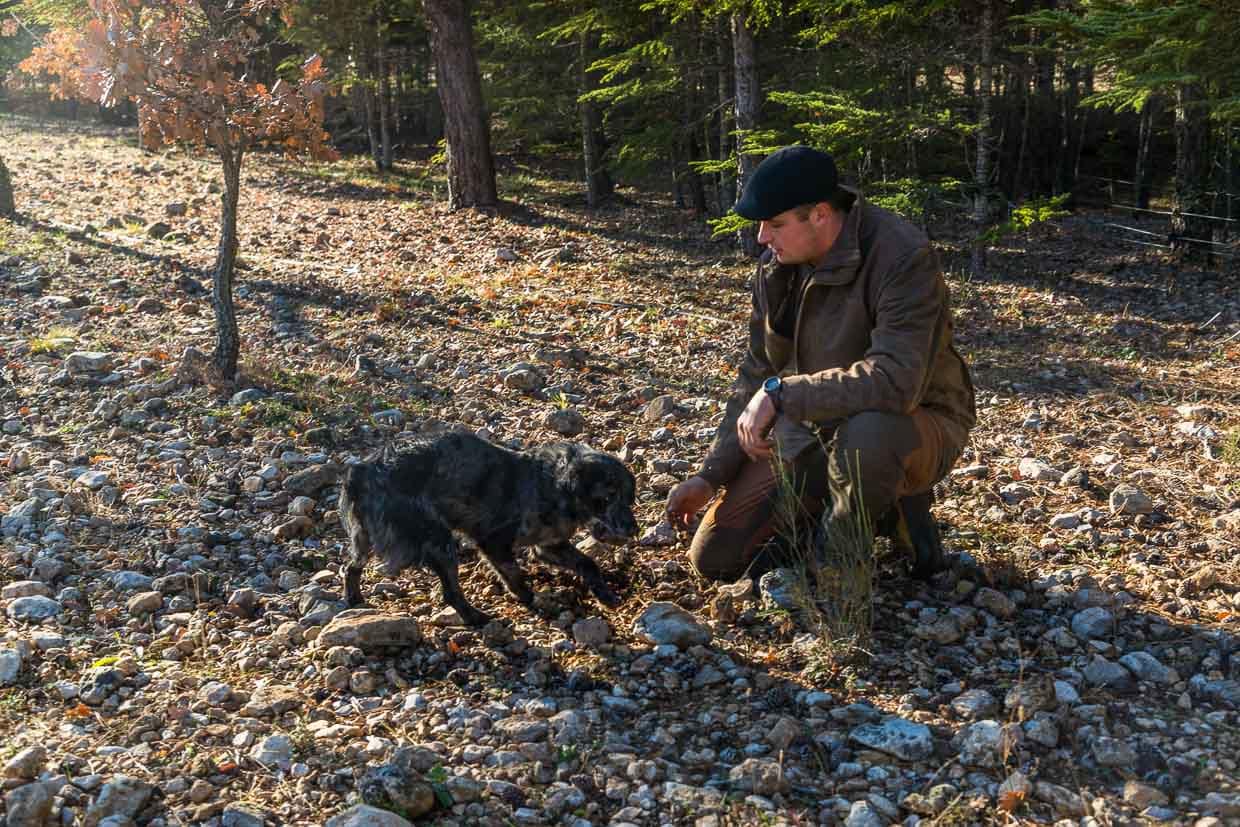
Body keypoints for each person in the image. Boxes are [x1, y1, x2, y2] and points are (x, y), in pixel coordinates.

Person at [665, 145, 976, 583]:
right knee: (716, 558)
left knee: (869, 432)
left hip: (914, 424)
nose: (761, 238)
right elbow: (757, 369)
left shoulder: (902, 255)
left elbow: (896, 381)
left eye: (774, 225)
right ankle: (857, 510)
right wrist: (710, 475)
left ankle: (845, 562)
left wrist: (783, 394)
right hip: (811, 427)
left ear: (821, 215)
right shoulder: (777, 265)